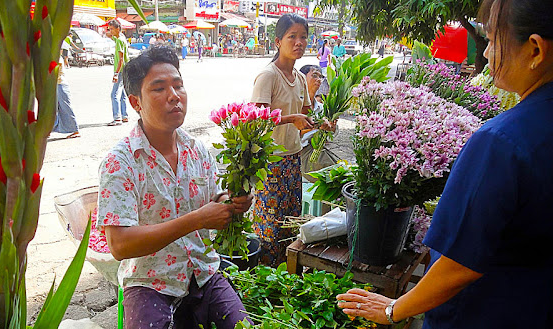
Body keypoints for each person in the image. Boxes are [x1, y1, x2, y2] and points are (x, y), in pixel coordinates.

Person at [337, 1, 553, 328]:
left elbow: (460, 263)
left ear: (535, 50)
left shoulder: (501, 142)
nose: (486, 53)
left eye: (494, 40)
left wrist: (393, 309)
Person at [98, 45, 254, 328]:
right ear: (136, 103)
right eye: (159, 88)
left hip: (203, 272)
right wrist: (197, 219)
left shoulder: (197, 150)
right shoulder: (120, 163)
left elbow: (212, 200)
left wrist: (232, 202)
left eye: (178, 86)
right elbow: (119, 245)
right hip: (150, 283)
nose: (174, 96)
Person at [250, 14, 333, 267]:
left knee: (290, 220)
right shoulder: (268, 76)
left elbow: (304, 117)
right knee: (270, 223)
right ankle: (265, 274)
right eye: (292, 37)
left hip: (293, 159)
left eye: (303, 37)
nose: (299, 42)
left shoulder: (298, 78)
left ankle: (286, 271)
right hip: (271, 162)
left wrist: (321, 125)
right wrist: (290, 119)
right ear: (278, 41)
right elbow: (256, 119)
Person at [107, 20, 129, 126]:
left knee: (114, 94)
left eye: (111, 29)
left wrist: (116, 74)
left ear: (118, 29)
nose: (110, 31)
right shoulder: (121, 38)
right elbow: (112, 37)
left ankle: (117, 118)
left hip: (120, 70)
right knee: (122, 94)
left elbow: (121, 59)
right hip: (125, 69)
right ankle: (124, 115)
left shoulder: (120, 41)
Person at [52, 57, 80, 138]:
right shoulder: (57, 56)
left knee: (66, 107)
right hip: (57, 84)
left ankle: (75, 130)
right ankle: (51, 128)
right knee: (54, 107)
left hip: (60, 84)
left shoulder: (57, 57)